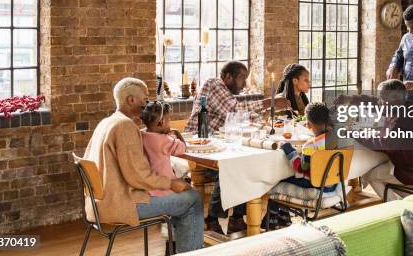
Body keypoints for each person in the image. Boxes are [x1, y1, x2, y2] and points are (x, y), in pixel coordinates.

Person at [84, 78, 203, 253]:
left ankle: (176, 250)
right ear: (131, 100)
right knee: (193, 199)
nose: (147, 105)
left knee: (181, 200)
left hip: (99, 203)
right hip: (122, 204)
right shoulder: (125, 126)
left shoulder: (107, 122)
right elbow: (137, 175)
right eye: (145, 100)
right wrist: (170, 183)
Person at [185, 61, 290, 235]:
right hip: (199, 148)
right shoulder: (213, 85)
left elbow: (240, 116)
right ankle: (212, 219)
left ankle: (236, 219)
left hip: (218, 145)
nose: (244, 84)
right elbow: (233, 110)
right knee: (233, 167)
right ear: (227, 77)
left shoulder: (225, 92)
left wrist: (261, 115)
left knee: (245, 165)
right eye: (242, 78)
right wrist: (269, 102)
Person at [359, 79, 413, 201]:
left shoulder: (397, 122)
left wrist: (355, 133)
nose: (379, 102)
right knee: (383, 176)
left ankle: (394, 206)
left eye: (382, 99)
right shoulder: (408, 110)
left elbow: (380, 144)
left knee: (370, 175)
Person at [264, 102, 338, 229]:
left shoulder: (310, 145)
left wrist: (289, 150)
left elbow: (300, 168)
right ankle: (284, 217)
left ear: (308, 124)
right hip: (332, 184)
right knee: (288, 178)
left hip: (315, 185)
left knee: (278, 179)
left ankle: (273, 218)